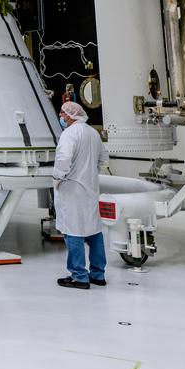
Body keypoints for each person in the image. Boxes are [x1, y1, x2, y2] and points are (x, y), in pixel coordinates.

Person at [53, 100, 109, 289]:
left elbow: (63, 159)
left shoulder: (69, 134)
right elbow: (103, 159)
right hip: (90, 187)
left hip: (72, 188)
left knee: (73, 231)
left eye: (62, 114)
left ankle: (79, 276)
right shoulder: (93, 133)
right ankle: (98, 274)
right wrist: (89, 173)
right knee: (93, 231)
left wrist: (58, 177)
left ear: (70, 115)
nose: (61, 117)